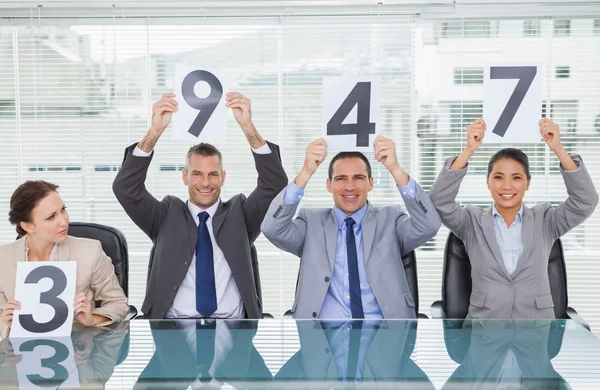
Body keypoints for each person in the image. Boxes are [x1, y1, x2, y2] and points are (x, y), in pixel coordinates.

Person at [113, 92, 288, 319]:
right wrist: (154, 133)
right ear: (184, 177)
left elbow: (274, 184)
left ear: (223, 177)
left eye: (212, 174)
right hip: (173, 331)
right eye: (197, 174)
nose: (205, 182)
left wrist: (248, 128)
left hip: (234, 331)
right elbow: (126, 188)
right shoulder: (164, 216)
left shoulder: (241, 215)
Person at [429, 118, 599, 319]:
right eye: (499, 177)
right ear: (488, 182)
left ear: (527, 183)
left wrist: (558, 149)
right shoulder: (470, 222)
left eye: (516, 178)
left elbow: (585, 201)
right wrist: (468, 150)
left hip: (534, 336)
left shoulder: (546, 221)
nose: (507, 186)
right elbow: (439, 201)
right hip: (485, 335)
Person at [261, 136, 441, 319]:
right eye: (340, 178)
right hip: (322, 336)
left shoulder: (391, 219)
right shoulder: (311, 223)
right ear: (328, 185)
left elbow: (429, 225)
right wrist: (305, 173)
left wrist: (395, 169)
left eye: (358, 178)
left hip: (384, 335)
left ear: (370, 183)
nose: (349, 186)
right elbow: (272, 228)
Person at [0, 181, 128, 339]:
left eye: (63, 210)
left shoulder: (90, 251)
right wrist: (7, 323)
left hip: (78, 349)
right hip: (22, 352)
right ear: (28, 226)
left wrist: (92, 319)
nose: (64, 221)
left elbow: (118, 303)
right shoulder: (3, 258)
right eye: (51, 217)